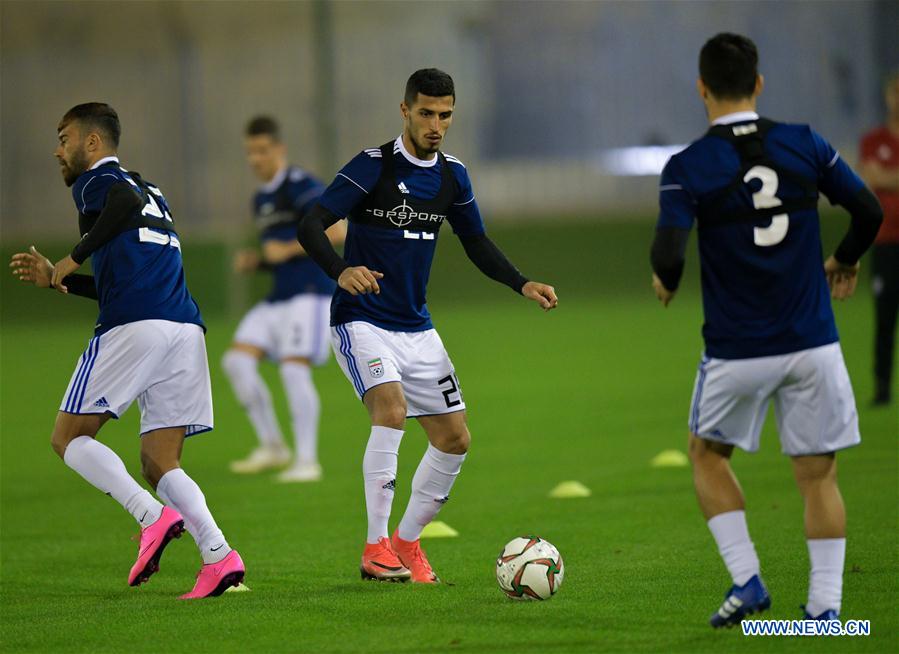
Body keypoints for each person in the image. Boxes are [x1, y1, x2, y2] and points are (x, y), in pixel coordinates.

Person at [649, 34, 882, 627]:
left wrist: (666, 281)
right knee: (818, 475)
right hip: (812, 343)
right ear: (758, 83)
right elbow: (869, 212)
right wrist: (846, 258)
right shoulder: (803, 142)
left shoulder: (688, 166)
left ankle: (748, 582)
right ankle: (827, 611)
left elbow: (670, 252)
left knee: (706, 455)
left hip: (738, 349)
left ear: (701, 88)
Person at [298, 68, 557, 583]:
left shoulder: (451, 176)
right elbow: (309, 223)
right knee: (390, 409)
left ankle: (407, 543)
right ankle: (374, 547)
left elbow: (476, 242)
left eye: (445, 115)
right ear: (405, 110)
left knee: (455, 439)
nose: (436, 124)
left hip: (417, 329)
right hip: (362, 320)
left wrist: (520, 282)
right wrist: (340, 270)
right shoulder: (372, 166)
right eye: (426, 113)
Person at [9, 102, 246, 599]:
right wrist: (62, 282)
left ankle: (151, 517)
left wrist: (70, 258)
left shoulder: (98, 182)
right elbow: (124, 276)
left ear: (93, 143)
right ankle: (219, 556)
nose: (58, 149)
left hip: (135, 327)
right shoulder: (152, 189)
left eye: (64, 137)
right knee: (161, 460)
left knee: (68, 438)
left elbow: (120, 203)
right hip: (182, 327)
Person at [225, 116, 345, 481]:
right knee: (236, 361)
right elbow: (276, 254)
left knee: (294, 368)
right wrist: (259, 261)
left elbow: (338, 231)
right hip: (280, 296)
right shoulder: (260, 198)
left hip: (311, 295)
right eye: (250, 152)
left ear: (279, 149)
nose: (255, 159)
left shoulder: (301, 186)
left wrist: (287, 249)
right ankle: (273, 446)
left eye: (262, 150)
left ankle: (307, 461)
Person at [858, 72, 899, 406]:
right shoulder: (873, 140)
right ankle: (882, 388)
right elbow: (870, 176)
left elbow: (882, 176)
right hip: (885, 242)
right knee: (884, 319)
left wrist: (888, 178)